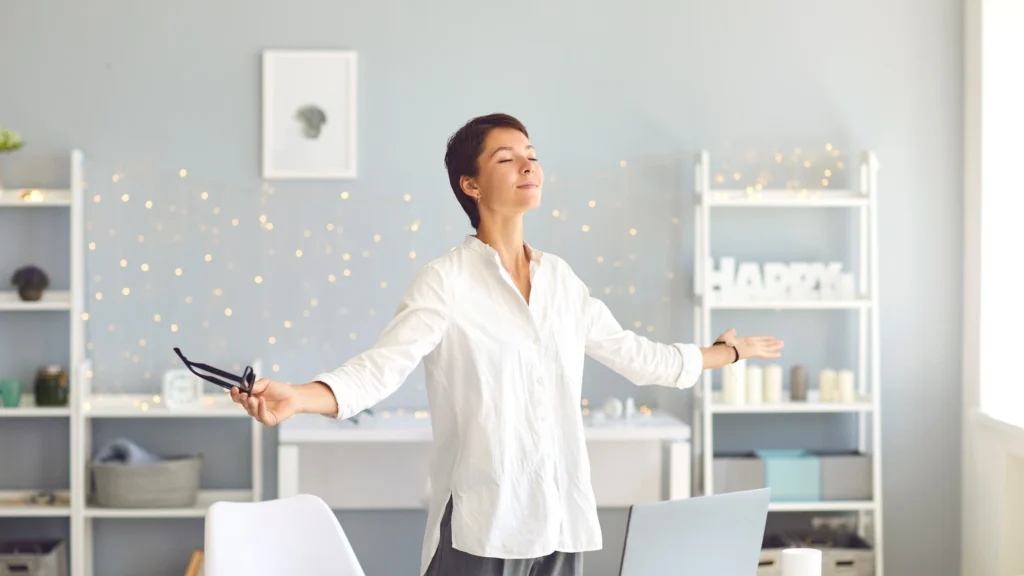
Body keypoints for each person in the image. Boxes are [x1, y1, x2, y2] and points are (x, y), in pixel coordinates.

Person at [230, 113, 784, 576]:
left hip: (560, 520)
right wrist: (300, 396)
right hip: (482, 522)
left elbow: (640, 357)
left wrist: (728, 352)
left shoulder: (562, 282)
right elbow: (380, 369)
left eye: (532, 154)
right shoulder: (445, 280)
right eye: (506, 158)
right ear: (470, 185)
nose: (528, 165)